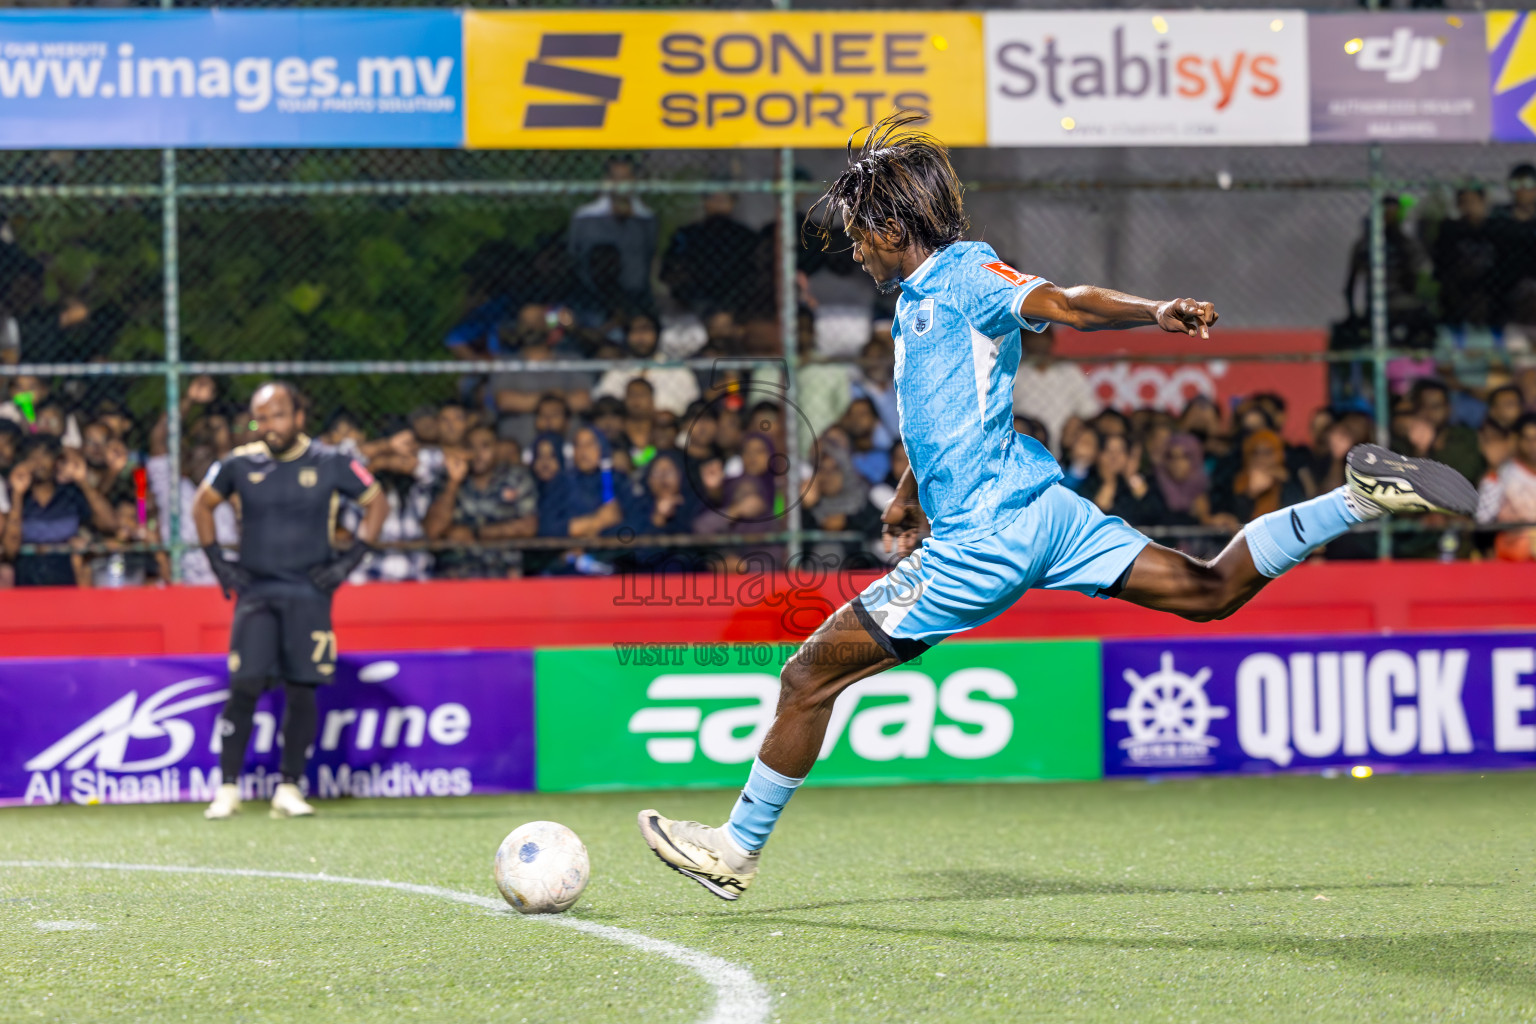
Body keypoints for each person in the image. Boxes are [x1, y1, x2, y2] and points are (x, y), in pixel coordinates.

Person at [636, 113, 1480, 901]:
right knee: (1207, 590)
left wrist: (1156, 312)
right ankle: (1357, 498)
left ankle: (734, 851)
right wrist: (905, 497)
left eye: (861, 231)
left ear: (893, 229)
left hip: (983, 544)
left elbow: (1067, 302)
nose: (854, 247)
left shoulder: (964, 274)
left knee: (808, 675)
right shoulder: (918, 305)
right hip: (1042, 515)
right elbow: (941, 422)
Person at [193, 382, 387, 821]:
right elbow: (201, 506)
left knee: (302, 690)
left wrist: (350, 560)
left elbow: (377, 503)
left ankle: (289, 787)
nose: (268, 424)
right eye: (260, 416)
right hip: (257, 593)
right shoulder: (238, 464)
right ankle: (227, 789)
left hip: (309, 593)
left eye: (277, 414)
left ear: (299, 417)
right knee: (244, 687)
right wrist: (218, 563)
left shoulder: (332, 462)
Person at [424, 424, 538, 579]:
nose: (478, 453)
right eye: (471, 447)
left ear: (497, 448)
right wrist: (453, 483)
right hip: (456, 576)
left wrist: (475, 533)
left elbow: (528, 527)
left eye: (485, 446)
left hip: (503, 574)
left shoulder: (517, 478)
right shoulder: (448, 479)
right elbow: (432, 531)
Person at [3, 435, 115, 587]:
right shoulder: (15, 496)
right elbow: (10, 550)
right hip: (27, 584)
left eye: (45, 455)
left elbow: (109, 524)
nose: (39, 462)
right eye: (33, 456)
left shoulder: (69, 495)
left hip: (68, 583)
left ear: (56, 462)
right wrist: (17, 494)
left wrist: (83, 481)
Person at [1011, 324, 1101, 457]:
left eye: (1043, 335)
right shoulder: (1014, 373)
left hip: (1067, 455)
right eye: (1032, 335)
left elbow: (1091, 412)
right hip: (1026, 454)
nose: (1038, 340)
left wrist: (1076, 425)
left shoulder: (1068, 370)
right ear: (1023, 340)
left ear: (1051, 338)